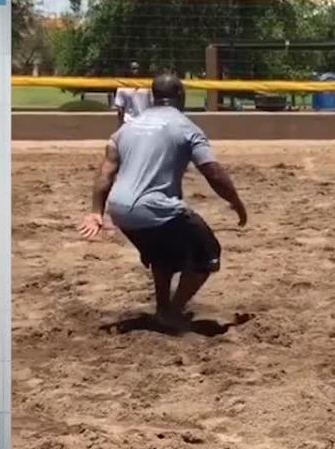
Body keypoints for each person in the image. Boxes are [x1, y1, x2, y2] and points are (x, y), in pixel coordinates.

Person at [79, 74, 247, 332]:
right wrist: (235, 201)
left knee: (162, 257)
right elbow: (212, 172)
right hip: (155, 209)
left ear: (152, 96)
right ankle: (172, 311)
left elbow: (106, 173)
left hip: (120, 210)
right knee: (208, 256)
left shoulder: (125, 129)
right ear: (181, 95)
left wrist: (95, 212)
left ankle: (162, 309)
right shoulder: (186, 127)